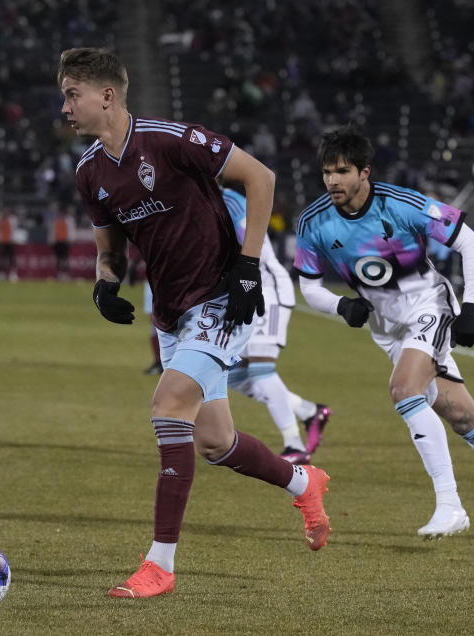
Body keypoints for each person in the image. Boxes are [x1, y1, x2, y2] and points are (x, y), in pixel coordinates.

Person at [59, 47, 331, 599]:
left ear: (106, 96)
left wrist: (249, 266)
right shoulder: (89, 172)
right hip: (170, 312)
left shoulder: (169, 140)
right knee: (214, 441)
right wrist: (105, 285)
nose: (64, 106)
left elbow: (261, 177)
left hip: (220, 297)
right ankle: (304, 481)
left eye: (71, 94)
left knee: (167, 405)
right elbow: (109, 247)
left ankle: (160, 564)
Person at [294, 127, 474, 544]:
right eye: (327, 171)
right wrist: (340, 305)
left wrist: (471, 308)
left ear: (364, 172)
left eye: (342, 171)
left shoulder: (403, 204)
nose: (332, 180)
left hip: (429, 307)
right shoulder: (314, 222)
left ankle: (450, 504)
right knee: (463, 417)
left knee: (404, 390)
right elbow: (308, 285)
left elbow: (471, 245)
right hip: (388, 329)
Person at [221, 186, 332, 464]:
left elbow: (250, 246)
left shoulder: (230, 202)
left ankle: (294, 445)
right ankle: (308, 411)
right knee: (232, 375)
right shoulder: (199, 202)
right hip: (239, 293)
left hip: (265, 289)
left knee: (261, 368)